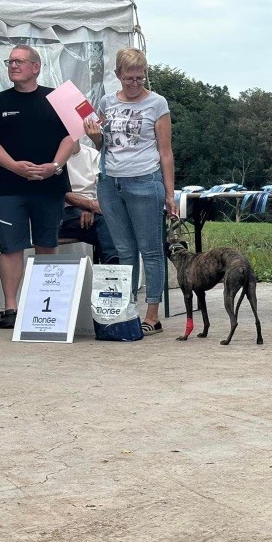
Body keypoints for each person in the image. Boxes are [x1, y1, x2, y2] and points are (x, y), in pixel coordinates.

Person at [0, 45, 77, 330]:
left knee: (47, 244)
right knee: (11, 247)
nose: (13, 65)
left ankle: (42, 303)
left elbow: (73, 136)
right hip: (10, 187)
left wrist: (54, 166)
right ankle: (11, 307)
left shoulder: (60, 98)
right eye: (10, 61)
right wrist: (14, 167)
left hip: (50, 185)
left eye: (19, 61)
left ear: (36, 67)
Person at [85, 48, 176, 335]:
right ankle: (127, 311)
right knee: (124, 250)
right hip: (111, 182)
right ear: (118, 76)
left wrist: (170, 194)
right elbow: (102, 146)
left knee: (150, 250)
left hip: (145, 181)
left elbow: (166, 152)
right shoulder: (106, 102)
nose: (135, 83)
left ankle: (152, 313)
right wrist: (95, 137)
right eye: (129, 78)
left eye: (140, 78)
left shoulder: (157, 103)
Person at [59, 143, 119, 264]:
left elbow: (104, 188)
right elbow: (61, 193)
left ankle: (112, 264)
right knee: (107, 227)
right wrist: (89, 206)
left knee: (108, 225)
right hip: (64, 212)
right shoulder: (55, 159)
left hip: (94, 212)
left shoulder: (93, 155)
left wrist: (91, 210)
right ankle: (113, 265)